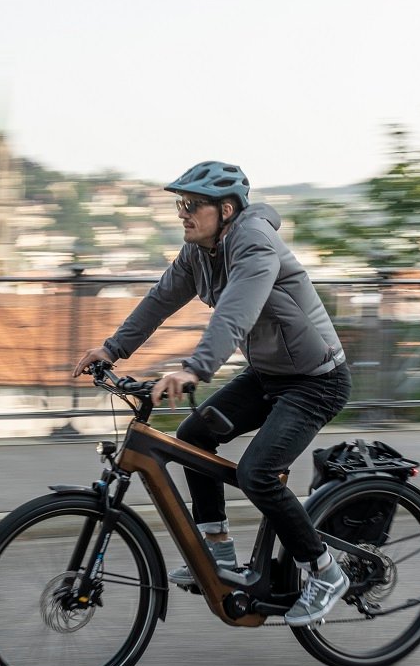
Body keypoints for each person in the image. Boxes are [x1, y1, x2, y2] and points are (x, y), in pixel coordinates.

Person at [75, 160, 353, 626]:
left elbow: (235, 315)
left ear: (226, 210)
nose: (182, 214)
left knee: (257, 473)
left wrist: (194, 369)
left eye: (192, 205)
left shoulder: (255, 243)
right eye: (180, 205)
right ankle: (219, 552)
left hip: (315, 381)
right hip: (268, 375)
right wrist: (112, 348)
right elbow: (160, 299)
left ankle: (325, 571)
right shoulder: (199, 252)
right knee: (193, 437)